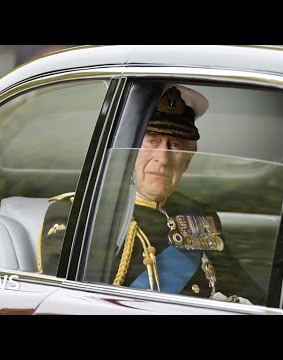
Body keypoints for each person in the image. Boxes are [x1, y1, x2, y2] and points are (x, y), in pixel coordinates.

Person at [38, 85, 265, 305]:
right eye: (151, 141)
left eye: (175, 145)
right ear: (128, 149)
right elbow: (71, 304)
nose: (162, 158)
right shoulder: (78, 213)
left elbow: (249, 293)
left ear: (189, 157)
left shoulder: (200, 215)